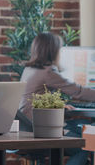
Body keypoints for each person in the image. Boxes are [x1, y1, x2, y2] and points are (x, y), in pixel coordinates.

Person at [19, 32, 95, 165]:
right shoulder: (47, 72)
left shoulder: (30, 69)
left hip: (28, 127)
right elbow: (78, 92)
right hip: (41, 129)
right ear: (52, 51)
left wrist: (57, 106)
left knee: (86, 128)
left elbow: (34, 98)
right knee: (86, 143)